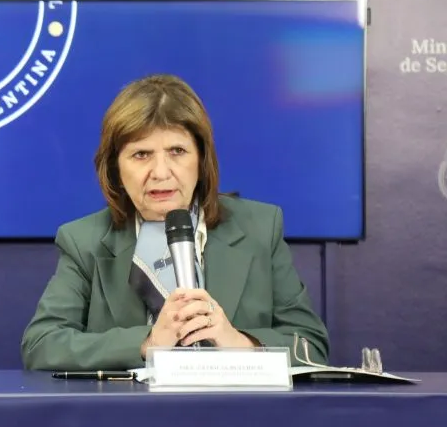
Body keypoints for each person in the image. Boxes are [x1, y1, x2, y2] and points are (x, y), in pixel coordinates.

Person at [21, 74, 329, 371]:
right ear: (115, 168)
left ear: (201, 159)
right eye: (141, 154)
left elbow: (311, 346)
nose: (161, 172)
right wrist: (148, 343)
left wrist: (238, 342)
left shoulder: (259, 228)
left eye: (177, 151)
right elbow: (42, 344)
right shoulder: (84, 240)